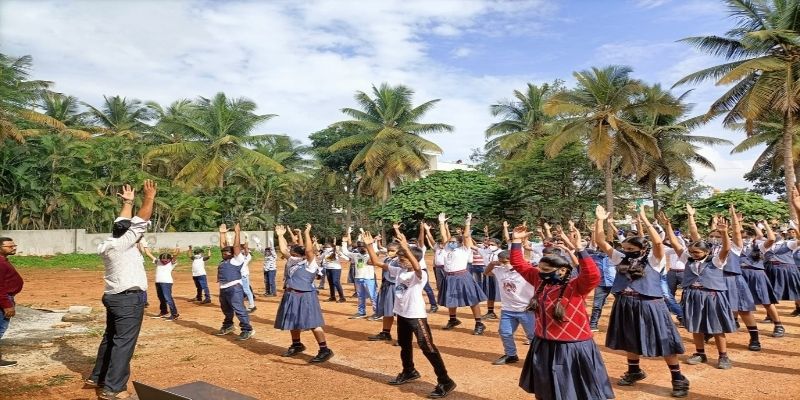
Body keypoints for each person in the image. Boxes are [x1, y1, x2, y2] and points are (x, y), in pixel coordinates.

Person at [509, 225, 614, 400]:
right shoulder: (539, 280)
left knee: (572, 390)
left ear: (562, 270)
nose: (540, 273)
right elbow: (519, 264)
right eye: (540, 269)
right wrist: (516, 241)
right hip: (544, 344)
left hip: (571, 347)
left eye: (546, 270)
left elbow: (592, 276)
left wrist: (580, 249)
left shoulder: (576, 286)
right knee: (546, 389)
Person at [594, 206, 689, 398]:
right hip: (625, 304)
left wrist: (645, 220)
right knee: (630, 338)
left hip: (650, 305)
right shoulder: (621, 258)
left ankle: (678, 378)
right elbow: (600, 242)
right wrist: (600, 221)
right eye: (625, 248)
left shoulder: (654, 260)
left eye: (631, 249)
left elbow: (658, 242)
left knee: (664, 340)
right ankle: (634, 371)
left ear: (643, 249)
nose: (626, 251)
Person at [362, 230, 457, 398]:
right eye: (399, 258)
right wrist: (369, 245)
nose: (400, 261)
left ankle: (445, 380)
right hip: (402, 314)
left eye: (403, 258)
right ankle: (409, 371)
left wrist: (406, 248)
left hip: (416, 315)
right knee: (404, 344)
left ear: (413, 259)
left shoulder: (420, 274)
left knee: (427, 346)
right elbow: (376, 262)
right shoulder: (399, 271)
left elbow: (416, 267)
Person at [86, 180, 157, 400]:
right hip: (128, 300)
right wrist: (149, 197)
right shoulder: (124, 243)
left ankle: (98, 377)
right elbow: (140, 220)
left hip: (114, 297)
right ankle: (113, 388)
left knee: (110, 338)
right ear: (129, 233)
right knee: (123, 343)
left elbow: (122, 223)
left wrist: (128, 203)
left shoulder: (110, 242)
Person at [669, 216, 737, 369]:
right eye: (691, 252)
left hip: (712, 296)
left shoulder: (716, 261)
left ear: (707, 251)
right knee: (696, 326)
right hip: (693, 295)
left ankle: (723, 356)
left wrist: (724, 233)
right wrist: (668, 227)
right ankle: (700, 353)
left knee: (717, 327)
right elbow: (675, 244)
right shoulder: (688, 260)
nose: (693, 254)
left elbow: (726, 249)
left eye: (697, 252)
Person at [274, 224, 334, 363]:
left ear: (301, 255)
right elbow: (283, 250)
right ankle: (297, 345)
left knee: (312, 322)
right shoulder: (293, 261)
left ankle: (324, 350)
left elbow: (309, 250)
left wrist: (307, 233)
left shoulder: (310, 263)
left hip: (305, 296)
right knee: (292, 321)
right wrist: (280, 235)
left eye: (294, 254)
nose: (291, 255)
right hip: (291, 294)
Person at [437, 213, 487, 335]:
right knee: (450, 298)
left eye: (453, 242)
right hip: (449, 277)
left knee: (472, 299)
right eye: (450, 242)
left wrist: (468, 223)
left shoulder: (464, 249)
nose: (450, 243)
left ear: (460, 243)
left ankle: (479, 323)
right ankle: (453, 320)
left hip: (462, 276)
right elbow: (444, 236)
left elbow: (466, 236)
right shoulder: (447, 249)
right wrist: (441, 223)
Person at [483, 250, 535, 365]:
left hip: (526, 309)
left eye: (505, 262)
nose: (503, 264)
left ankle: (537, 358)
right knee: (505, 332)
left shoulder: (527, 271)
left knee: (532, 335)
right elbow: (486, 273)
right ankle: (511, 355)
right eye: (501, 262)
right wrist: (492, 264)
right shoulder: (500, 270)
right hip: (507, 309)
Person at [214, 223, 255, 340]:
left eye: (227, 252)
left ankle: (247, 329)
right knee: (226, 309)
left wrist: (237, 233)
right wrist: (222, 234)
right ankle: (228, 325)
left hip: (234, 288)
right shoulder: (224, 260)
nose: (224, 253)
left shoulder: (237, 259)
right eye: (223, 252)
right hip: (223, 288)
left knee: (239, 309)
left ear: (233, 253)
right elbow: (223, 247)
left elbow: (236, 247)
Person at [342, 227, 378, 319]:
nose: (361, 248)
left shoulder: (371, 255)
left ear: (366, 247)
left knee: (373, 296)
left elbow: (375, 250)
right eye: (359, 247)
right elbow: (345, 252)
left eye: (363, 246)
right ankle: (361, 312)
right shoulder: (356, 255)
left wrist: (371, 242)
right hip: (358, 278)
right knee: (360, 296)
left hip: (369, 279)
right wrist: (344, 242)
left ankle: (377, 312)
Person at [0, 236, 23, 367]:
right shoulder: (1, 263)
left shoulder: (3, 260)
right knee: (0, 328)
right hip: (4, 299)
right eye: (10, 246)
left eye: (14, 246)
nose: (13, 248)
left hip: (6, 297)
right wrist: (7, 305)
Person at [153, 251, 179, 320]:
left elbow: (175, 256)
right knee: (161, 298)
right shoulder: (158, 262)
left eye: (166, 260)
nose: (164, 261)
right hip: (158, 282)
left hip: (167, 283)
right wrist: (144, 247)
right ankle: (164, 311)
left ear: (170, 259)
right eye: (163, 259)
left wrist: (176, 252)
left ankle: (174, 314)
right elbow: (148, 254)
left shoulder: (171, 263)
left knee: (168, 298)